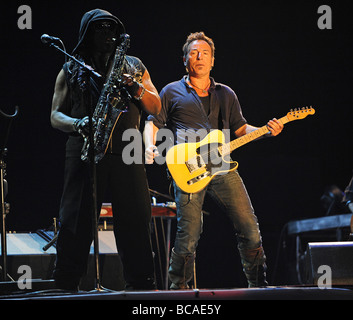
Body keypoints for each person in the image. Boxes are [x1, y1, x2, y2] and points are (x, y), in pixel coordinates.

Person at [144, 32, 283, 289]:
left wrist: (266, 130)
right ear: (185, 60)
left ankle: (259, 288)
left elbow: (241, 130)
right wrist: (150, 145)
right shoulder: (171, 91)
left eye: (205, 53)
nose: (199, 57)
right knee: (189, 234)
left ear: (213, 61)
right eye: (194, 53)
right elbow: (153, 122)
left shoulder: (226, 94)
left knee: (250, 228)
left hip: (221, 166)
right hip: (187, 168)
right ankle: (178, 291)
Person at [50, 9, 161, 291]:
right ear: (87, 33)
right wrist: (78, 123)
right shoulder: (70, 68)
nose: (108, 34)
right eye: (100, 28)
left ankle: (141, 284)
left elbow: (156, 107)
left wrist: (136, 89)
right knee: (75, 219)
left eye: (112, 28)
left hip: (128, 150)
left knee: (136, 219)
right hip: (83, 150)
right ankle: (66, 282)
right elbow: (55, 116)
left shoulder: (133, 65)